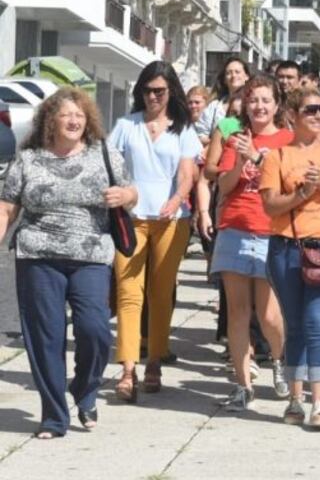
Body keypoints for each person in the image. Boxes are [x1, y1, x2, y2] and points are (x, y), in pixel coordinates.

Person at [0, 88, 137, 439]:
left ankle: (85, 389)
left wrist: (125, 196)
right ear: (50, 120)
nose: (74, 120)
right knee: (46, 338)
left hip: (91, 254)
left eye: (79, 115)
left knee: (95, 330)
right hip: (38, 256)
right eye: (66, 115)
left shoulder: (104, 153)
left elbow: (130, 192)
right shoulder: (28, 159)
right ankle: (53, 416)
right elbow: (6, 207)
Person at [259, 88, 320, 429]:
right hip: (287, 249)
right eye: (311, 110)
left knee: (317, 325)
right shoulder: (276, 157)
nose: (319, 116)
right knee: (295, 325)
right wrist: (300, 193)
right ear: (292, 115)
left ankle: (319, 404)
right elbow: (270, 206)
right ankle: (295, 400)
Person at [109, 62, 202, 401]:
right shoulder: (125, 126)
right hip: (131, 219)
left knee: (161, 294)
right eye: (147, 90)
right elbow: (111, 166)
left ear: (171, 92)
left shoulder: (184, 130)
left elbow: (187, 173)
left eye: (160, 91)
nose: (153, 96)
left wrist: (176, 198)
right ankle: (128, 368)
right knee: (128, 293)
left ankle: (155, 360)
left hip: (171, 221)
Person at [213, 75, 293, 410]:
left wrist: (260, 160)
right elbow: (226, 185)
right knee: (237, 312)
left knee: (269, 315)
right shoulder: (235, 138)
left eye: (265, 100)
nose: (258, 106)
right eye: (253, 100)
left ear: (276, 105)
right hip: (234, 227)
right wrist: (243, 159)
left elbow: (289, 185)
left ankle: (278, 360)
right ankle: (243, 384)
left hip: (270, 231)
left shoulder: (287, 140)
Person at [199, 57, 251, 137]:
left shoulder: (253, 104)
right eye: (229, 73)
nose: (233, 75)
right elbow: (201, 135)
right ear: (224, 80)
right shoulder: (214, 106)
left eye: (237, 72)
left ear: (246, 76)